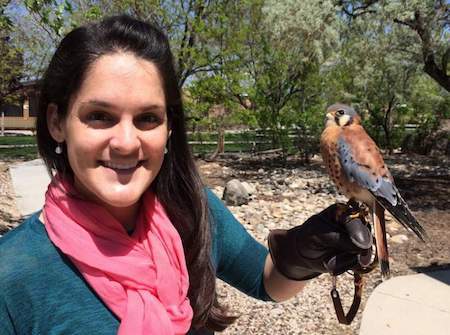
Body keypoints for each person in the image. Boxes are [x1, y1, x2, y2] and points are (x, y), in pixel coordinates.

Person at [0, 15, 372, 335]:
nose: (127, 142)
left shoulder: (194, 209)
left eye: (148, 118)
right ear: (57, 122)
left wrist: (304, 253)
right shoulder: (11, 275)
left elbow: (266, 280)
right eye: (100, 116)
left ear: (169, 129)